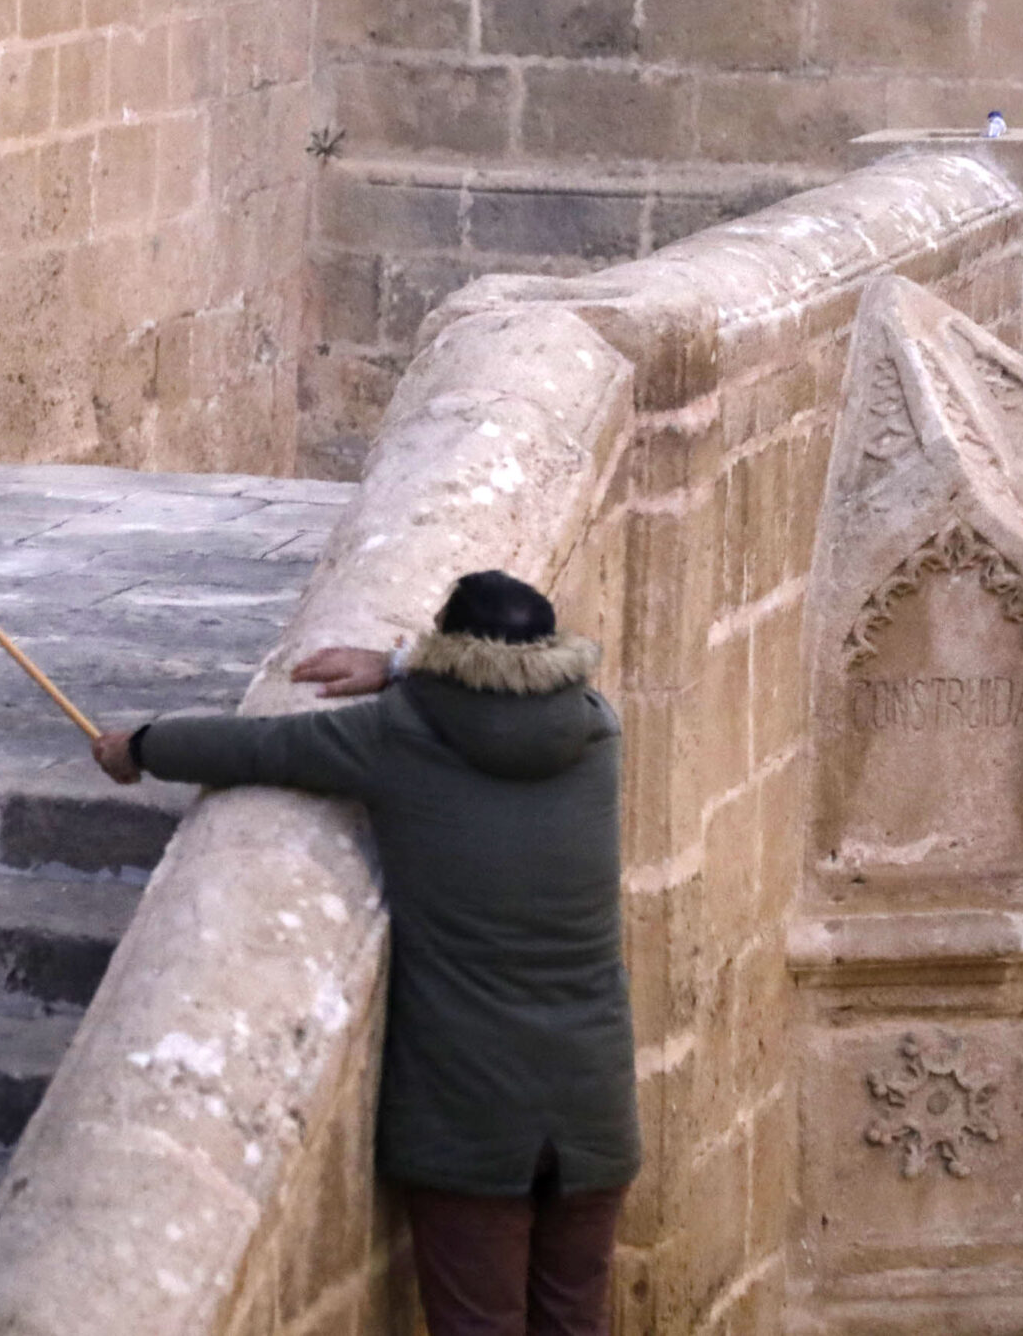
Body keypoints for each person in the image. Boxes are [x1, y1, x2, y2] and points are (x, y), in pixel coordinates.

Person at [90, 570, 638, 1336]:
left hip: (472, 1112)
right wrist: (397, 663)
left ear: (446, 649)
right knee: (576, 1319)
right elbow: (489, 686)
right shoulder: (595, 729)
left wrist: (140, 746)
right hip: (594, 1103)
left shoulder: (397, 731)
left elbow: (258, 746)